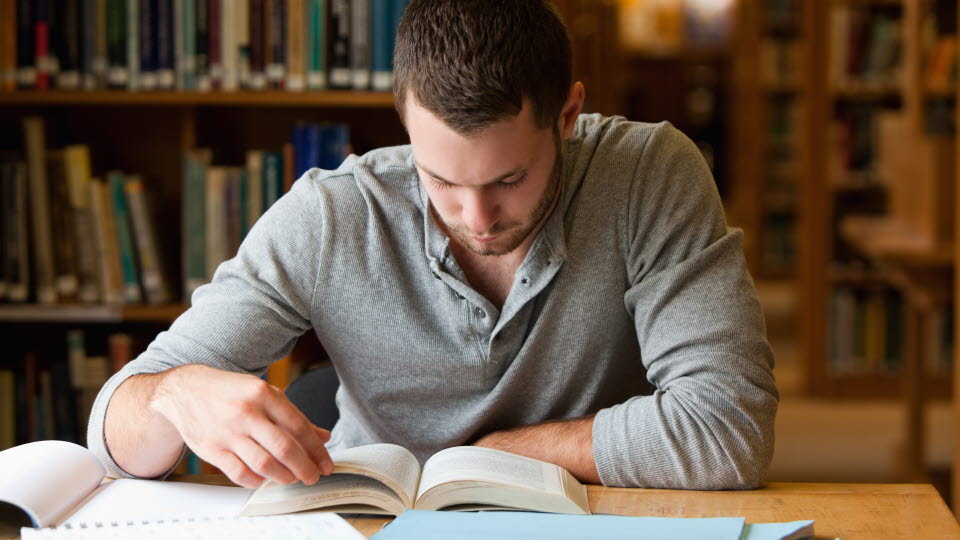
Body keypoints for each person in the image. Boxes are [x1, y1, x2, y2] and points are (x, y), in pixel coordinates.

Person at [89, 0, 779, 491]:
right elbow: (113, 439)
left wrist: (508, 453)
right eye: (441, 179)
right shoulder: (333, 213)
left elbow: (728, 429)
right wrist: (172, 394)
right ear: (405, 127)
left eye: (509, 178)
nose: (476, 217)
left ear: (568, 115)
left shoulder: (648, 173)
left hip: (586, 516)